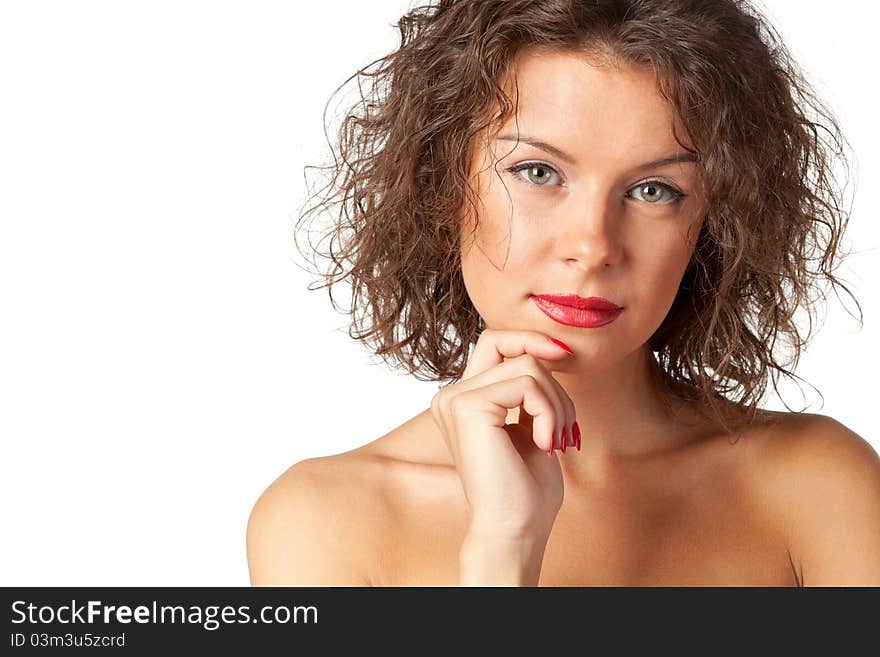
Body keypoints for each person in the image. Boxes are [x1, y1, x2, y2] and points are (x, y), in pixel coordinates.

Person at [247, 0, 880, 586]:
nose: (593, 244)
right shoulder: (323, 519)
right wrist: (503, 546)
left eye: (654, 190)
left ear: (712, 227)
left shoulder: (818, 485)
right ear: (440, 190)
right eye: (539, 172)